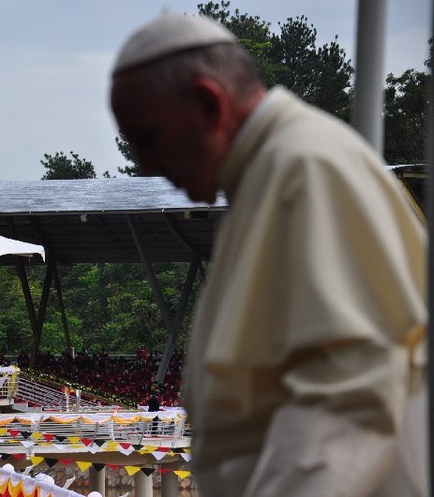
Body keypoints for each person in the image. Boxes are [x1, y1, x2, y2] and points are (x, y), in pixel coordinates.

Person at [110, 14, 426, 497]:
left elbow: (342, 402)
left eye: (149, 141)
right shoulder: (266, 175)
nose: (147, 166)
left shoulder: (306, 168)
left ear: (208, 102)